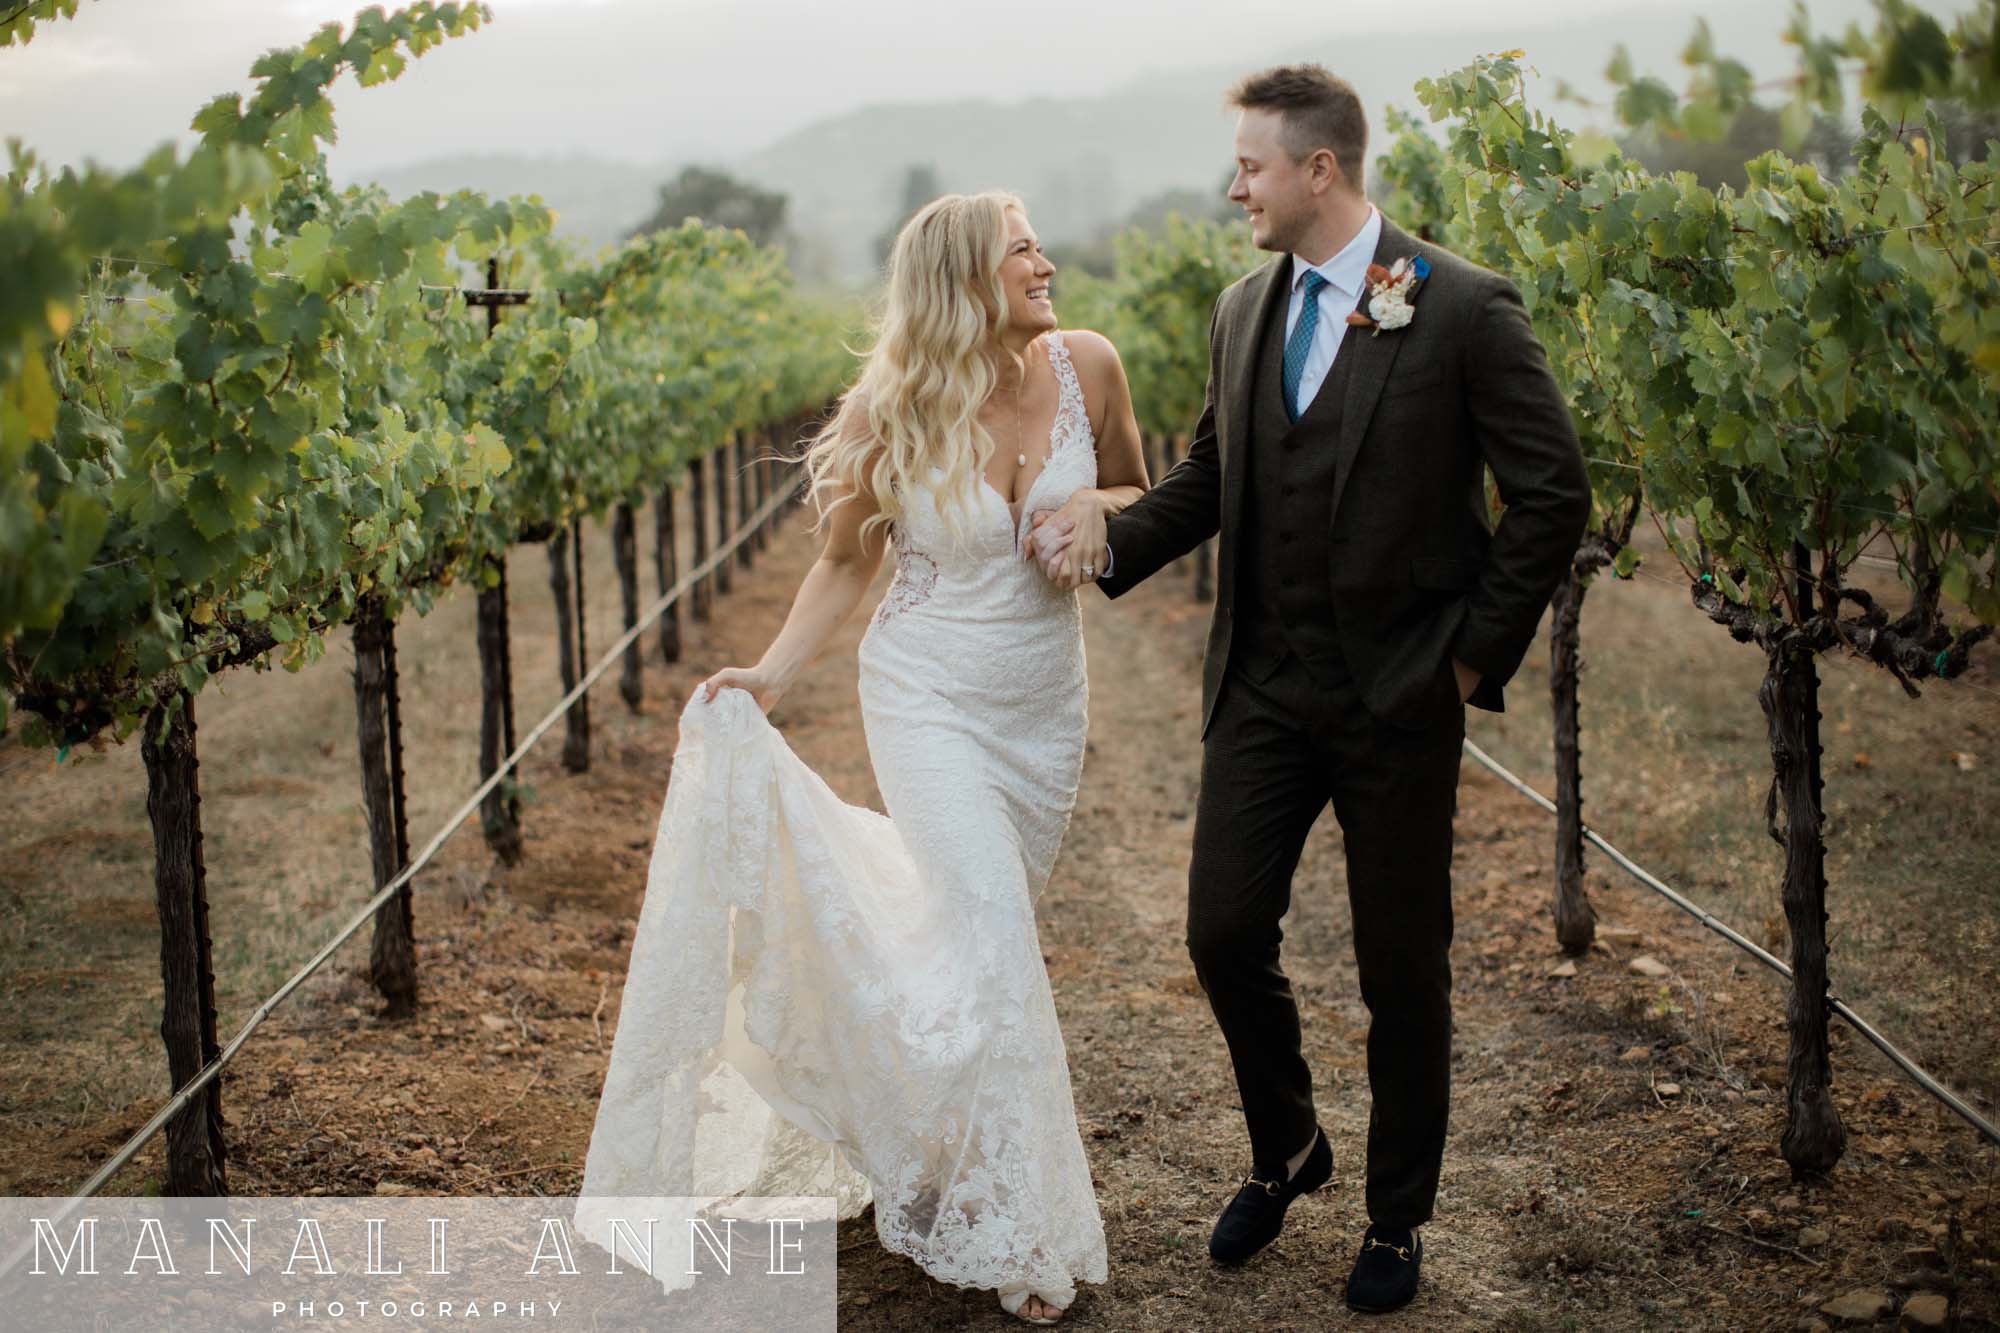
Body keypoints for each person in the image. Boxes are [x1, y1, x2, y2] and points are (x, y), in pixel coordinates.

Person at [1031, 65, 1589, 1314]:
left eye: (1251, 165)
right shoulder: (1240, 310)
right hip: (1264, 690)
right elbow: (1212, 475)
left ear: (1318, 171)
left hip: (1400, 699)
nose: (1234, 185)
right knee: (1220, 932)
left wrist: (1464, 658)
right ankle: (1289, 1146)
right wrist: (1105, 539)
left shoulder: (1460, 308)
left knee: (1404, 968)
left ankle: (1395, 1220)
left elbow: (1553, 496)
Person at [573, 190, 1149, 1326]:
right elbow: (843, 562)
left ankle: (931, 1138)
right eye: (1019, 249)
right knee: (990, 935)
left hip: (1041, 705)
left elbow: (1144, 486)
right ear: (961, 282)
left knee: (976, 943)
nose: (1044, 259)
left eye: (1039, 237)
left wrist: (1096, 505)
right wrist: (770, 678)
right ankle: (1019, 1231)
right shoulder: (895, 408)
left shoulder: (1090, 363)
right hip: (923, 693)